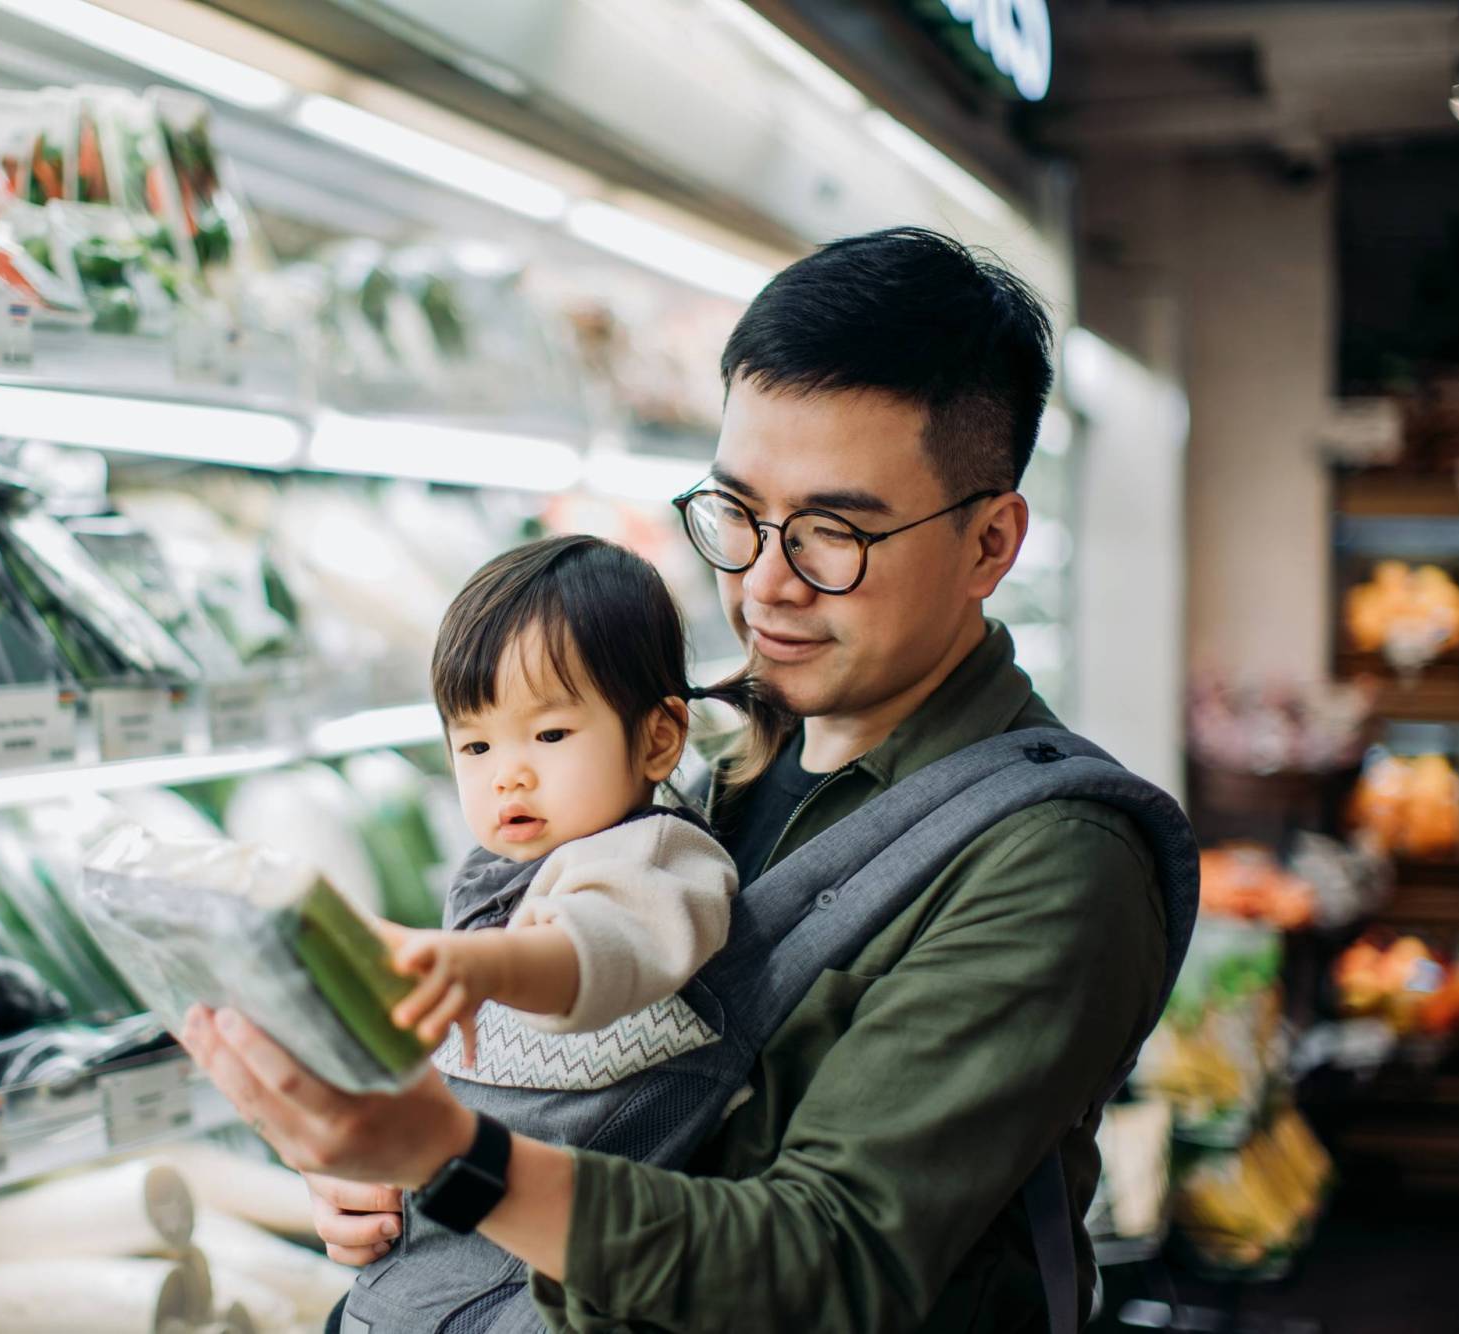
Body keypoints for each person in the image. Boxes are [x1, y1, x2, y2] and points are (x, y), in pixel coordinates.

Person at [180, 227, 1173, 1333]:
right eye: (736, 513)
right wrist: (394, 1182)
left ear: (989, 544)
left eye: (832, 535)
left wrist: (459, 1163)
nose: (761, 585)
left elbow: (827, 1262)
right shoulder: (701, 750)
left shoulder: (1053, 860)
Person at [347, 533, 789, 1329]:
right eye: (475, 745)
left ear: (658, 738)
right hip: (442, 1254)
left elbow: (594, 949)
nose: (506, 772)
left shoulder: (657, 857)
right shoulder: (491, 872)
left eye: (549, 735)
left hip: (548, 1286)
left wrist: (482, 964)